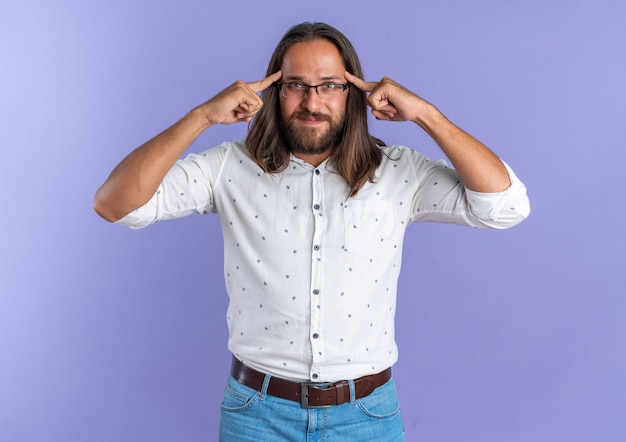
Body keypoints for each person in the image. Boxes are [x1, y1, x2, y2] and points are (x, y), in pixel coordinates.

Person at [94, 22, 530, 441]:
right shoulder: (228, 166)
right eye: (296, 84)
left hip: (367, 417)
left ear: (353, 92)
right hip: (257, 416)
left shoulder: (400, 172)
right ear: (273, 92)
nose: (312, 101)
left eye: (329, 85)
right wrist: (202, 116)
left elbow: (506, 206)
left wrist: (427, 115)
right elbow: (114, 203)